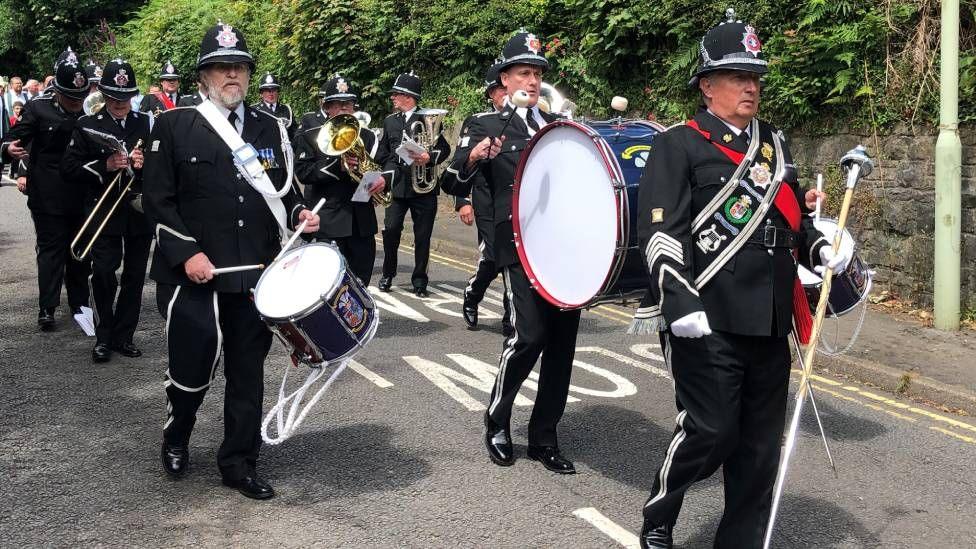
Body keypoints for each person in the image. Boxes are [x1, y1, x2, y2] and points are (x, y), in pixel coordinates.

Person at [632, 10, 846, 549]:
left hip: (771, 316)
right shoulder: (678, 144)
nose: (751, 87)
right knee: (712, 429)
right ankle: (661, 510)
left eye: (755, 77)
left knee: (758, 447)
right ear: (708, 86)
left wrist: (823, 246)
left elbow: (789, 219)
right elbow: (660, 232)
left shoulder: (773, 143)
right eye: (737, 77)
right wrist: (678, 301)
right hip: (708, 314)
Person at [142, 21, 319, 500]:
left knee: (248, 374)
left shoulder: (271, 127)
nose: (232, 76)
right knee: (191, 371)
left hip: (256, 277)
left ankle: (239, 462)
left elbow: (285, 190)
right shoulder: (175, 125)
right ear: (203, 77)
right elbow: (157, 200)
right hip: (197, 276)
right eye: (221, 68)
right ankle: (177, 432)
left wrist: (302, 211)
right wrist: (187, 252)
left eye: (239, 67)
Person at [454, 30, 580, 474]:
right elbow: (452, 179)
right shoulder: (484, 126)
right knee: (528, 336)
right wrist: (473, 159)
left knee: (563, 346)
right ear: (504, 79)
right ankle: (498, 419)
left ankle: (545, 437)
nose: (532, 80)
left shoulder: (555, 126)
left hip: (562, 247)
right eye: (523, 72)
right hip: (518, 245)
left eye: (537, 73)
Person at [61, 58, 153, 363]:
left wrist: (143, 164)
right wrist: (105, 165)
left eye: (125, 97)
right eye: (114, 97)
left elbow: (163, 167)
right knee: (102, 273)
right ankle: (103, 336)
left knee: (135, 275)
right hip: (103, 212)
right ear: (104, 93)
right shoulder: (87, 124)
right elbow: (69, 167)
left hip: (137, 211)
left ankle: (124, 336)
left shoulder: (146, 122)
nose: (120, 104)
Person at [1, 50, 92, 330]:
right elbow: (13, 139)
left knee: (80, 251)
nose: (77, 104)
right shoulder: (38, 108)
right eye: (71, 98)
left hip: (82, 193)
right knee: (51, 251)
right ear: (58, 91)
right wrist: (8, 149)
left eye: (81, 97)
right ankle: (47, 307)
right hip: (48, 195)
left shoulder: (93, 109)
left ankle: (81, 304)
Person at [295, 74, 389, 284]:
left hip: (362, 223)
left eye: (348, 103)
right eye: (338, 104)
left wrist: (383, 179)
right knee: (327, 284)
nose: (344, 108)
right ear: (327, 107)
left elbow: (385, 162)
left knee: (361, 282)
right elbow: (303, 172)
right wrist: (338, 167)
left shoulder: (368, 136)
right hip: (329, 222)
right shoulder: (311, 136)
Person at [441, 62, 511, 335]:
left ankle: (511, 315)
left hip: (519, 203)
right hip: (487, 200)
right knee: (493, 259)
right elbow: (461, 161)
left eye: (507, 88)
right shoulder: (478, 121)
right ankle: (472, 294)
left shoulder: (532, 120)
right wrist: (462, 202)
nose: (505, 93)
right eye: (499, 89)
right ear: (491, 94)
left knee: (515, 262)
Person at [375, 71, 450, 297]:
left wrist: (429, 157)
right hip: (397, 186)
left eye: (396, 94)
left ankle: (420, 281)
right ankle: (387, 273)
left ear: (408, 97)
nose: (393, 98)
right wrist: (388, 167)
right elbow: (383, 152)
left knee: (423, 236)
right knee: (390, 231)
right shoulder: (390, 121)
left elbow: (444, 149)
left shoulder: (427, 118)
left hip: (423, 189)